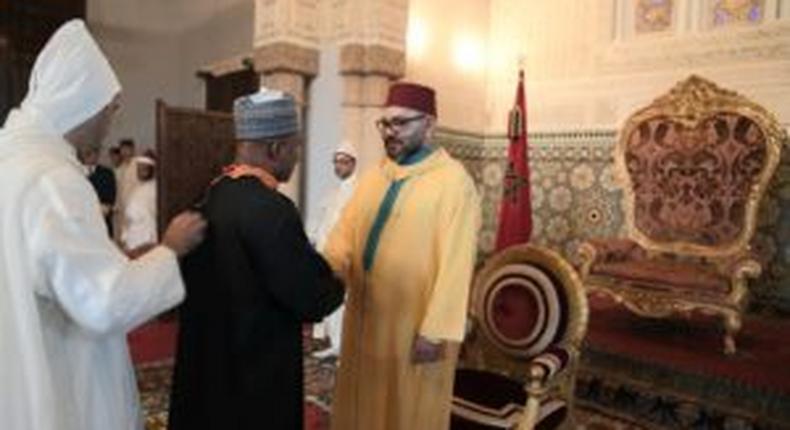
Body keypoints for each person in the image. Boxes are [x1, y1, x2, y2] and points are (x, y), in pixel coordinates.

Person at [0, 19, 206, 430]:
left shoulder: (13, 163)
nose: (112, 121)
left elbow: (54, 267)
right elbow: (102, 301)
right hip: (62, 371)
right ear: (83, 102)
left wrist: (126, 260)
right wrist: (170, 249)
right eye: (110, 108)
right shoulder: (53, 180)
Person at [168, 89, 345, 430]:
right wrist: (340, 278)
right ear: (275, 148)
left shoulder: (209, 196)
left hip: (208, 365)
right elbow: (310, 298)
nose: (297, 157)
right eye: (295, 147)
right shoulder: (273, 209)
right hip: (255, 375)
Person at [324, 82, 481, 429]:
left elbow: (457, 265)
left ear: (429, 124)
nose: (390, 133)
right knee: (361, 400)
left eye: (401, 123)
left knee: (408, 410)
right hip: (367, 317)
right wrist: (328, 269)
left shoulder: (454, 183)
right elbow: (344, 233)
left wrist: (435, 332)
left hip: (415, 328)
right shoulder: (374, 176)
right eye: (385, 124)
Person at [309, 140, 358, 358]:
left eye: (344, 162)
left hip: (346, 256)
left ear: (353, 164)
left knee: (345, 302)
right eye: (336, 162)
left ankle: (345, 347)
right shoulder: (335, 191)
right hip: (328, 255)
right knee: (333, 301)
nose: (339, 166)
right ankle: (336, 344)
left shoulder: (358, 190)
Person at [121, 152, 157, 254]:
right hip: (132, 240)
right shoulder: (137, 189)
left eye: (143, 169)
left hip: (147, 241)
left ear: (151, 170)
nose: (140, 171)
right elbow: (128, 218)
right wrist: (124, 237)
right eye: (138, 169)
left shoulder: (156, 189)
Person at [78, 144, 116, 235]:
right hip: (83, 218)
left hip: (102, 216)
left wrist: (107, 207)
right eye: (87, 153)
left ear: (97, 155)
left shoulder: (107, 173)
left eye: (93, 152)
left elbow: (111, 194)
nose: (90, 155)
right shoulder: (77, 172)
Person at [113, 137, 139, 241]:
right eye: (122, 149)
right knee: (123, 236)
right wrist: (116, 206)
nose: (124, 152)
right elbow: (118, 189)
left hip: (136, 205)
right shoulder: (119, 168)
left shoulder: (138, 164)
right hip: (123, 207)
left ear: (132, 149)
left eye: (127, 149)